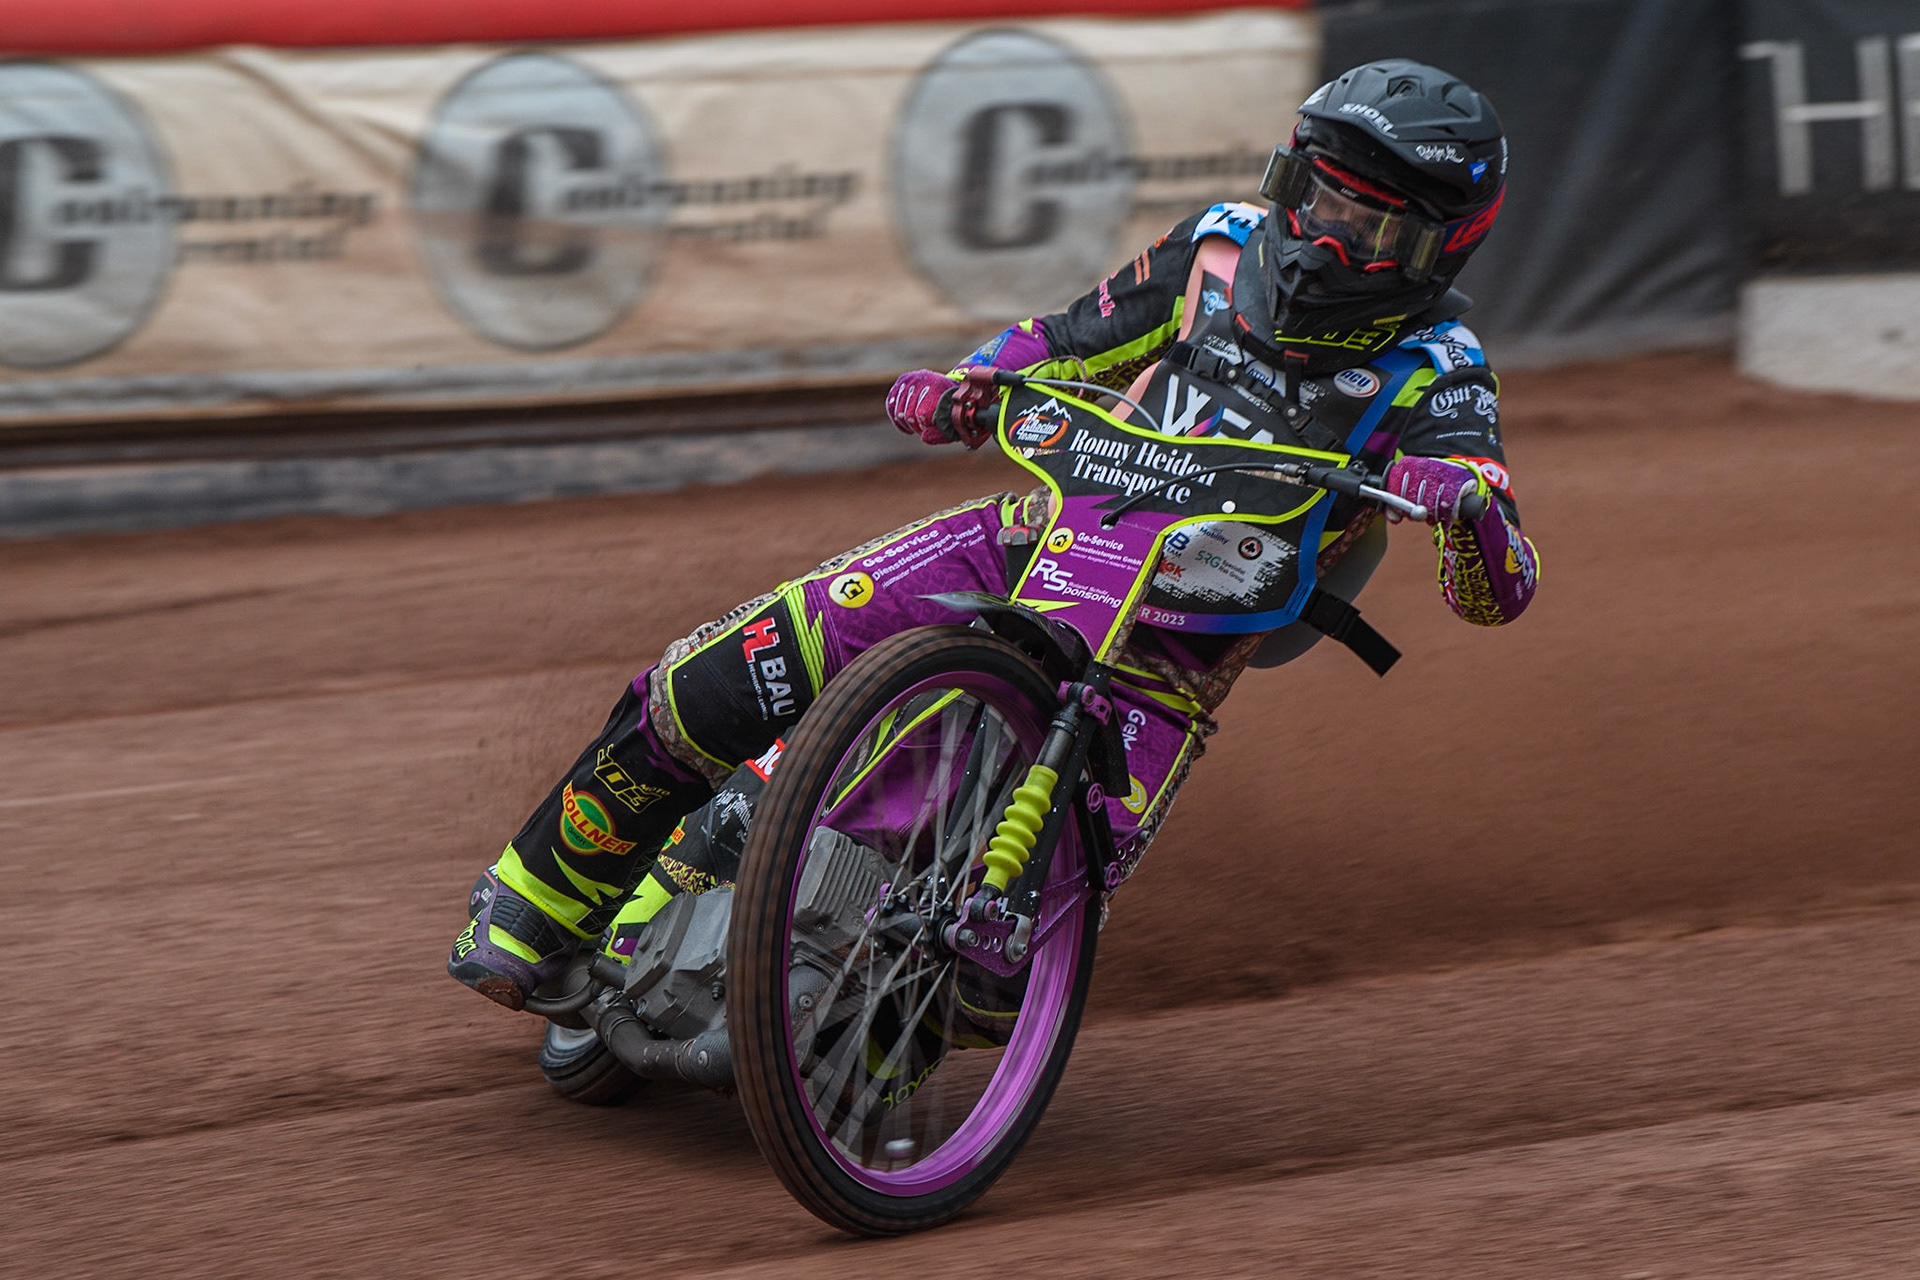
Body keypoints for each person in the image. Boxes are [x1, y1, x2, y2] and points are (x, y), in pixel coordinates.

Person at [449, 59, 1540, 1011]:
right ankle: (533, 909)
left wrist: (1466, 509)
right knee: (723, 676)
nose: (1322, 234)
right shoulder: (1216, 248)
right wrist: (969, 384)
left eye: (1368, 224)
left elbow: (1502, 590)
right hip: (1030, 536)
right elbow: (1064, 337)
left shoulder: (1439, 369)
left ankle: (863, 1053)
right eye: (1313, 195)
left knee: (1000, 970)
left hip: (1171, 650)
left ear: (1438, 247)